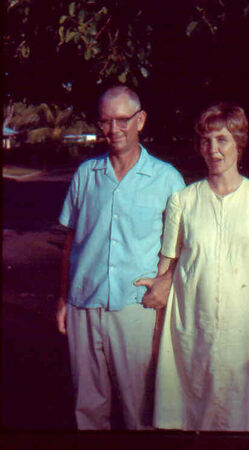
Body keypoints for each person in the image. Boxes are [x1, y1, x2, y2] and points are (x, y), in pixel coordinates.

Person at [137, 102, 249, 431]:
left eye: (222, 140)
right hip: (192, 333)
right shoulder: (183, 200)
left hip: (243, 338)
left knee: (242, 423)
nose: (213, 149)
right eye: (206, 140)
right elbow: (168, 266)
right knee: (193, 422)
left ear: (239, 143)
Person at [56, 85, 185, 430]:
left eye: (123, 120)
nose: (114, 130)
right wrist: (63, 298)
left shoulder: (166, 179)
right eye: (106, 121)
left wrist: (165, 283)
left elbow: (183, 247)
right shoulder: (86, 174)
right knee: (87, 408)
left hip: (136, 308)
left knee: (139, 409)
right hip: (84, 304)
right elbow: (71, 240)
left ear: (140, 120)